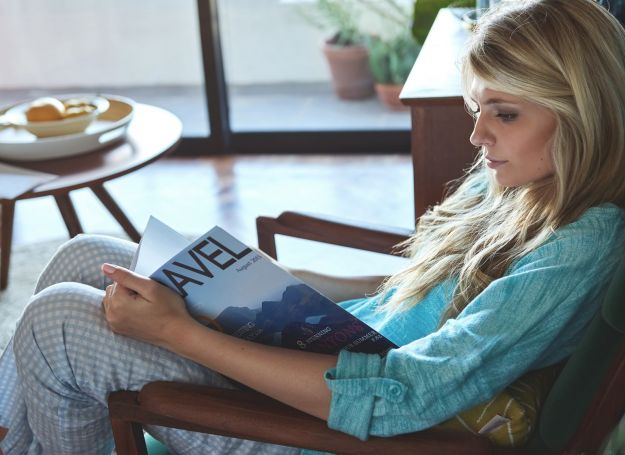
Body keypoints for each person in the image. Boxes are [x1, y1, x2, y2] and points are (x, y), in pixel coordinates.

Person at [2, 0, 625, 453]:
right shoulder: (522, 185)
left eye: (504, 113)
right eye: (477, 108)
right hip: (322, 360)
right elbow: (412, 295)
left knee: (59, 322)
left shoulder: (578, 249)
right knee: (87, 254)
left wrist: (180, 334)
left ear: (583, 115)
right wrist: (261, 284)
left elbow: (406, 394)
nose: (476, 135)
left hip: (321, 427)